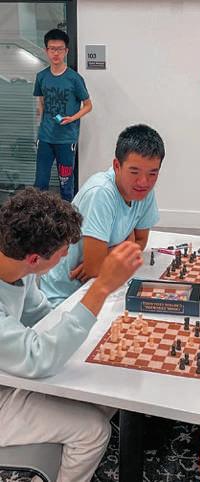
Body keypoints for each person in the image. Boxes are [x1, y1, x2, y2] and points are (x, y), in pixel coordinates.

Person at [0, 188, 143, 482]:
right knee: (93, 431)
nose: (67, 255)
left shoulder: (18, 270)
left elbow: (43, 315)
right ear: (34, 259)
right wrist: (100, 288)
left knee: (105, 393)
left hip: (8, 378)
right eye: (63, 251)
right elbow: (36, 358)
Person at [40, 123, 164, 307]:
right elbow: (94, 269)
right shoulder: (101, 193)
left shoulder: (144, 192)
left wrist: (114, 251)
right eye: (134, 172)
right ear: (117, 165)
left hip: (95, 286)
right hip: (64, 296)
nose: (143, 182)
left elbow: (140, 241)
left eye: (152, 173)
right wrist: (125, 244)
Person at [34, 28, 92, 201]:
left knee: (66, 184)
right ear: (46, 50)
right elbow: (41, 103)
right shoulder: (41, 76)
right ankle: (38, 216)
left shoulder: (74, 78)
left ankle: (67, 216)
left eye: (59, 49)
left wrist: (72, 118)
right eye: (52, 49)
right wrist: (38, 129)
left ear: (66, 51)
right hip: (45, 138)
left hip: (66, 139)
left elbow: (88, 105)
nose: (56, 53)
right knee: (40, 184)